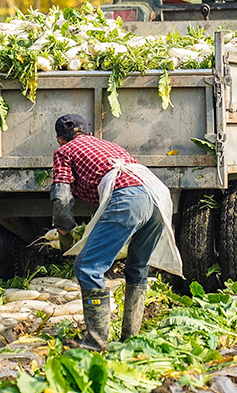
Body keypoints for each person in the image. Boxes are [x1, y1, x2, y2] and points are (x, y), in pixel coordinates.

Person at [50, 114, 181, 351]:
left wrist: (65, 231)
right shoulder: (109, 145)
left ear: (60, 139)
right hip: (158, 197)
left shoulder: (65, 151)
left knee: (87, 268)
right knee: (137, 267)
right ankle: (130, 339)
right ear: (89, 133)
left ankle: (96, 342)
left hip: (129, 198)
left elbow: (61, 196)